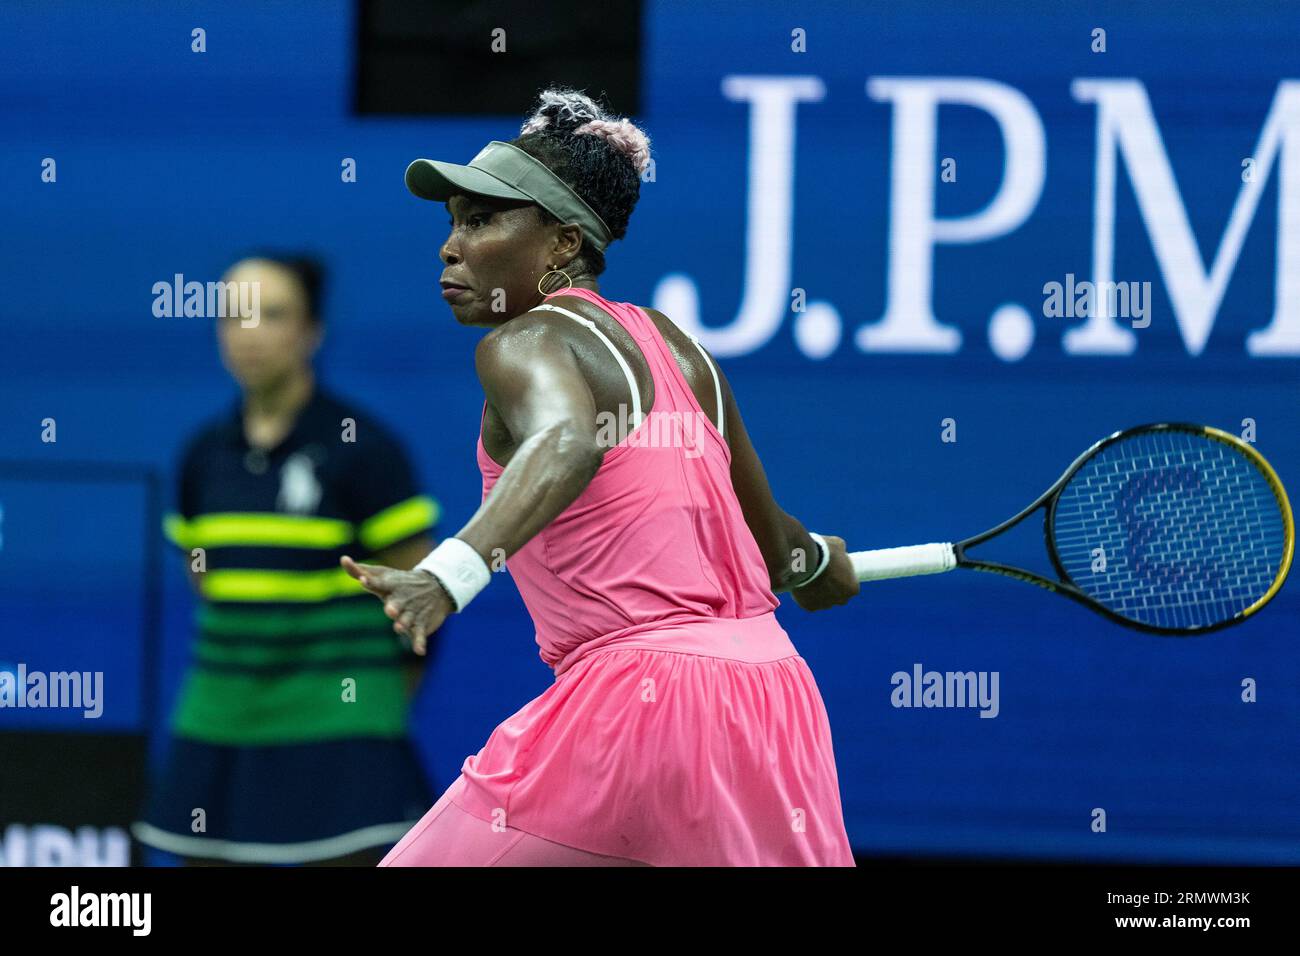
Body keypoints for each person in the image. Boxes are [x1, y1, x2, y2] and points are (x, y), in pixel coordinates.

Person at [343, 88, 860, 867]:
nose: (451, 247)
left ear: (560, 245)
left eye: (481, 220)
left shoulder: (519, 343)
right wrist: (819, 562)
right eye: (451, 222)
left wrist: (447, 574)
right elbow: (777, 552)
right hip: (772, 697)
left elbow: (567, 439)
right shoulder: (680, 348)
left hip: (637, 705)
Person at [134, 254, 440, 866]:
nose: (249, 333)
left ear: (311, 331)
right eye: (233, 316)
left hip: (342, 735)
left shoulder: (365, 450)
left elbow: (423, 599)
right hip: (220, 730)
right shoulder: (201, 458)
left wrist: (368, 700)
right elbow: (209, 584)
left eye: (273, 315)